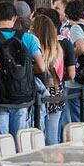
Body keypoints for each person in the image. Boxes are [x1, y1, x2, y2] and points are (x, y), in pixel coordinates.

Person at [0, 1, 47, 140]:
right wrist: (23, 70)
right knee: (20, 140)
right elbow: (41, 67)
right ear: (15, 18)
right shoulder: (28, 38)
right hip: (22, 95)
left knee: (1, 143)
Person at [32, 14, 70, 145]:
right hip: (57, 93)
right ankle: (55, 161)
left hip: (40, 94)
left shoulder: (35, 48)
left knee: (38, 135)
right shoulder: (58, 48)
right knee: (52, 135)